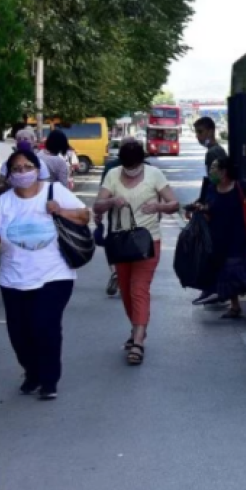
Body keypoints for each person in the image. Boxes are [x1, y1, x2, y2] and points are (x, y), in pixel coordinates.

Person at [0, 150, 89, 400]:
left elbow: (85, 216)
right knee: (19, 334)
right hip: (13, 277)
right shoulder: (4, 202)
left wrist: (61, 211)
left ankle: (49, 380)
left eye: (27, 167)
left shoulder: (55, 192)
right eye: (16, 169)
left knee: (45, 326)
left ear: (37, 168)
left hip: (54, 275)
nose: (22, 172)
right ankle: (33, 373)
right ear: (9, 174)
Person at [94, 141, 179, 365]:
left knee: (138, 289)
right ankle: (137, 329)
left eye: (135, 165)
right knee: (125, 290)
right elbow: (98, 205)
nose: (131, 170)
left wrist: (157, 207)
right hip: (120, 242)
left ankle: (138, 341)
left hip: (147, 242)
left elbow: (174, 203)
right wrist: (112, 201)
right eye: (127, 166)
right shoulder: (112, 174)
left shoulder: (154, 175)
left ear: (142, 161)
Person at [198, 156, 246, 319]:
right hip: (217, 236)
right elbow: (207, 209)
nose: (211, 171)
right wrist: (199, 209)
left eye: (214, 167)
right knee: (225, 271)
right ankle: (235, 307)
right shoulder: (211, 188)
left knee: (235, 266)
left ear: (224, 171)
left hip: (236, 236)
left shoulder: (240, 186)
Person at [98, 136, 150, 297]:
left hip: (117, 214)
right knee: (138, 245)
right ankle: (131, 278)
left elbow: (103, 194)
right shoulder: (147, 167)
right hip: (142, 216)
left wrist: (99, 212)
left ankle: (117, 272)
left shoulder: (111, 167)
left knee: (115, 244)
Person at [190, 117, 227, 306]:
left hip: (215, 206)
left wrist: (204, 204)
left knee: (210, 248)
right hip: (217, 203)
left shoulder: (212, 153)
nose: (198, 136)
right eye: (196, 132)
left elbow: (213, 180)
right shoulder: (218, 150)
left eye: (201, 132)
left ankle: (212, 289)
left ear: (211, 131)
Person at [0, 129, 50, 195]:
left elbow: (45, 185)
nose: (22, 141)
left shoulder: (40, 163)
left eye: (25, 139)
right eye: (19, 139)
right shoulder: (7, 163)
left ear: (33, 142)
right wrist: (9, 184)